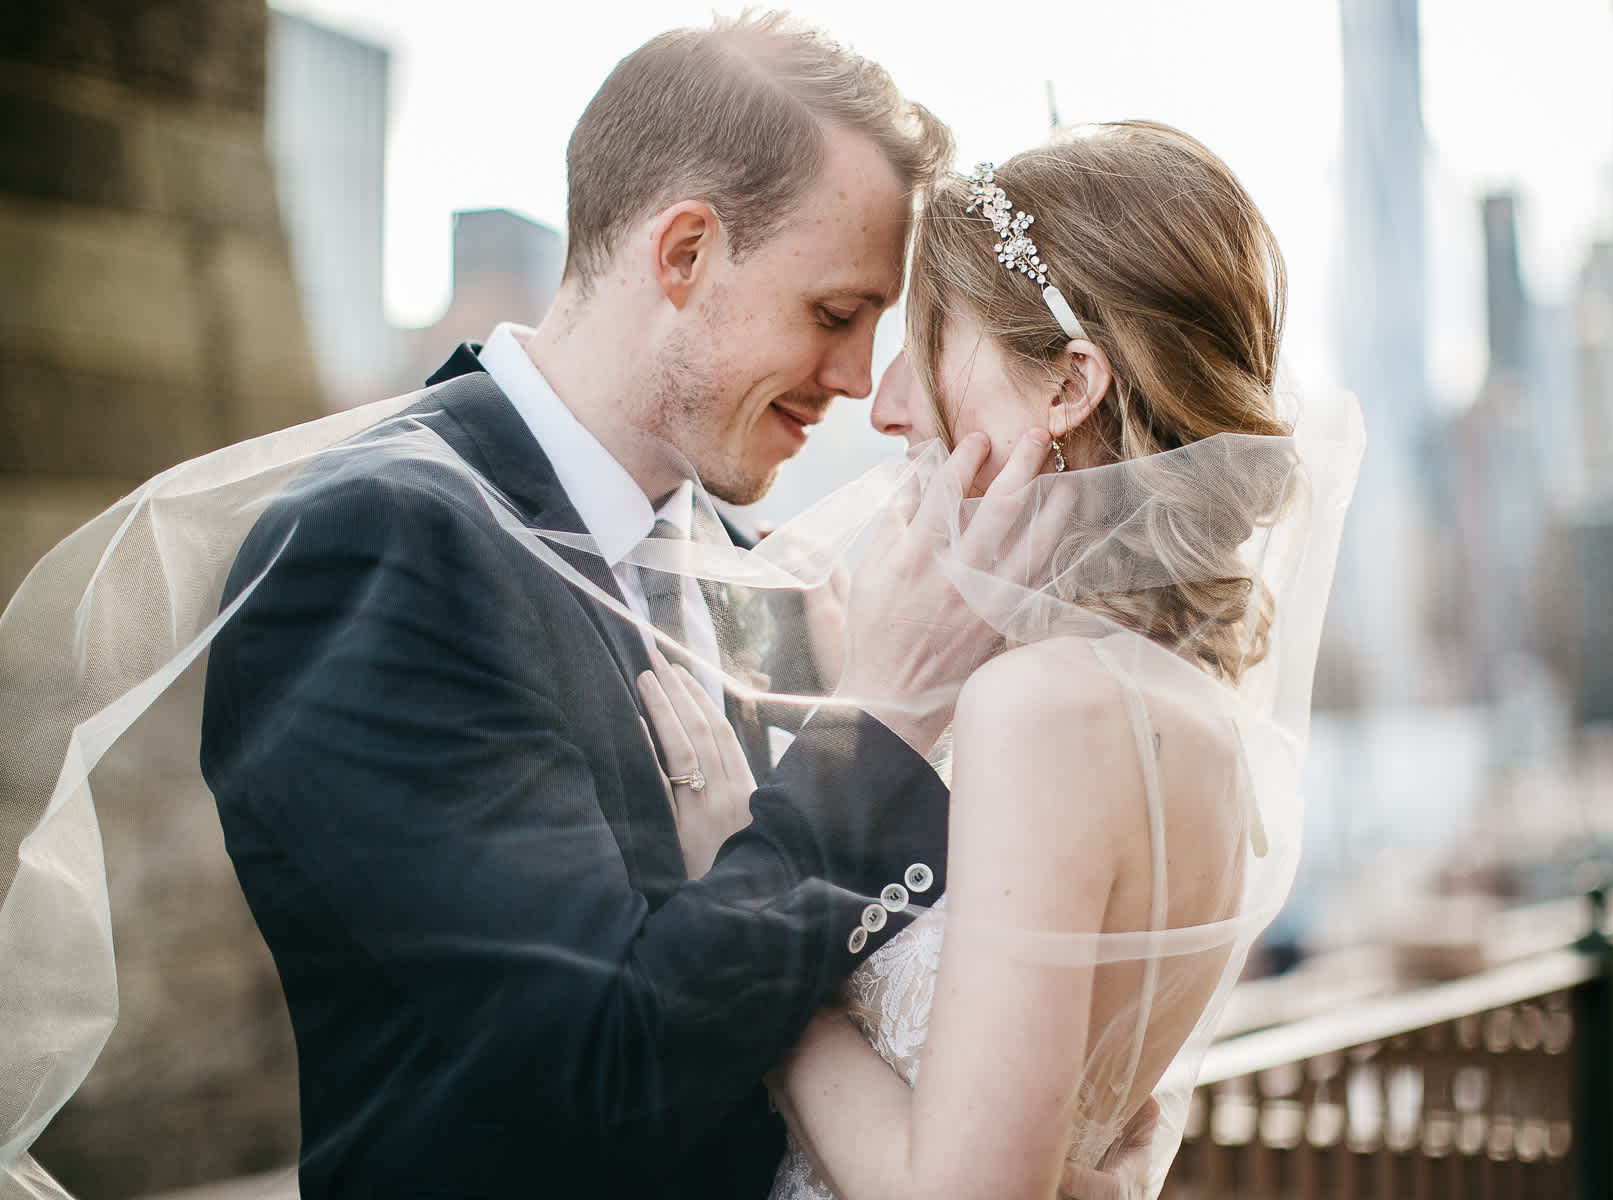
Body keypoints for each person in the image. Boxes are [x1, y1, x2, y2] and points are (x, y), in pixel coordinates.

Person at [0, 13, 1141, 1200]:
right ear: (686, 253)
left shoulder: (759, 572)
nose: (859, 382)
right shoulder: (377, 550)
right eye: (836, 315)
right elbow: (600, 1070)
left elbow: (828, 970)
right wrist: (885, 725)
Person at [634, 122, 1364, 1199]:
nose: (884, 407)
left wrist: (754, 929)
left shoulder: (1046, 708)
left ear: (1070, 386)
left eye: (930, 337)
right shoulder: (1187, 714)